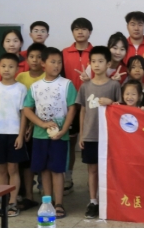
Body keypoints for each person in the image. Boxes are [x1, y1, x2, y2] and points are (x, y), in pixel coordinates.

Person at [23, 47, 77, 220]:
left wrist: (64, 130)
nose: (56, 65)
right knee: (44, 169)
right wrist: (42, 124)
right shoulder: (35, 86)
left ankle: (59, 203)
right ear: (43, 63)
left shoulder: (67, 84)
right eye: (52, 62)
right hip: (40, 135)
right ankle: (48, 202)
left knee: (57, 169)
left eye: (59, 62)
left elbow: (72, 109)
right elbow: (27, 109)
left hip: (59, 136)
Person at [76, 46, 121, 219]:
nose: (96, 64)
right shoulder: (85, 86)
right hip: (90, 135)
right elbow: (82, 111)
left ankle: (108, 200)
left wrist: (111, 103)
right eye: (93, 61)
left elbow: (121, 108)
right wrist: (82, 133)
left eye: (100, 61)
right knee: (92, 170)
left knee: (109, 169)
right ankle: (93, 201)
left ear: (108, 64)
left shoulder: (114, 85)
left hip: (109, 136)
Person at [0, 53, 29, 217]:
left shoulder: (21, 88)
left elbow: (24, 114)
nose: (6, 69)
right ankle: (4, 200)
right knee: (1, 169)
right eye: (3, 66)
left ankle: (13, 202)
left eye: (11, 66)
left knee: (13, 169)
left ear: (17, 69)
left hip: (14, 134)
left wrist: (20, 135)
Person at [63, 17, 94, 191]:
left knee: (91, 142)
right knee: (69, 142)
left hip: (91, 103)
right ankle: (68, 177)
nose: (80, 32)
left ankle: (93, 180)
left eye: (83, 29)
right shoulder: (64, 53)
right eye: (76, 29)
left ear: (90, 32)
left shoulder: (96, 53)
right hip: (69, 104)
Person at [15, 42, 46, 211]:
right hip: (23, 125)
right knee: (26, 163)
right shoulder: (21, 77)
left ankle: (46, 194)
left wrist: (33, 125)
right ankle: (28, 195)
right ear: (26, 59)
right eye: (31, 57)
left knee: (43, 162)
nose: (35, 60)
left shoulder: (47, 77)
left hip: (41, 126)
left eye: (39, 57)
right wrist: (26, 126)